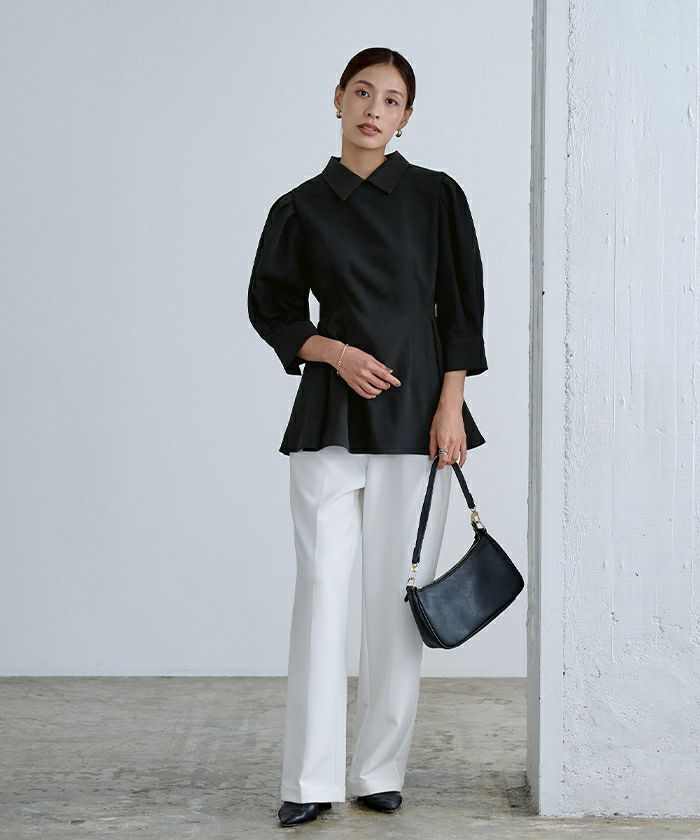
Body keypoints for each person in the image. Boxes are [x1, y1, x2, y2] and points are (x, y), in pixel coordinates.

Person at [247, 47, 488, 827]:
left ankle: (379, 770)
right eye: (362, 93)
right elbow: (273, 310)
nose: (373, 110)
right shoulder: (299, 207)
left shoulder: (436, 197)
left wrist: (450, 408)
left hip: (419, 420)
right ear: (338, 99)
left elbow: (461, 310)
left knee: (396, 605)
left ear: (406, 117)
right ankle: (308, 780)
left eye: (390, 100)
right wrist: (335, 352)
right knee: (321, 598)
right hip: (329, 419)